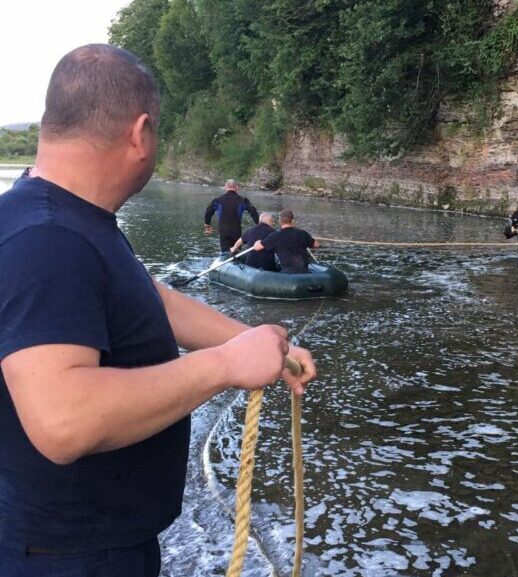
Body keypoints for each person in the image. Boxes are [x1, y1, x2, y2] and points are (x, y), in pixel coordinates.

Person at [0, 44, 315, 577]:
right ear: (140, 132)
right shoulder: (49, 239)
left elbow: (153, 300)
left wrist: (262, 343)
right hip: (69, 558)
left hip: (91, 544)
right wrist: (223, 367)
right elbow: (62, 420)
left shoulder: (62, 216)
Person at [253, 209, 319, 273]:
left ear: (280, 221)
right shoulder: (303, 233)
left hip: (287, 274)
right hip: (304, 272)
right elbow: (316, 245)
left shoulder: (275, 236)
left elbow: (257, 247)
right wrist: (308, 238)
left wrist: (258, 242)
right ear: (293, 221)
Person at [204, 179, 259, 252]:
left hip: (223, 231)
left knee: (225, 253)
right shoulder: (243, 200)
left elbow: (208, 211)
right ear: (237, 187)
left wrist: (207, 225)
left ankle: (225, 258)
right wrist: (259, 225)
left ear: (225, 187)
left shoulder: (217, 200)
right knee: (236, 252)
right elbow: (253, 211)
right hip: (236, 231)